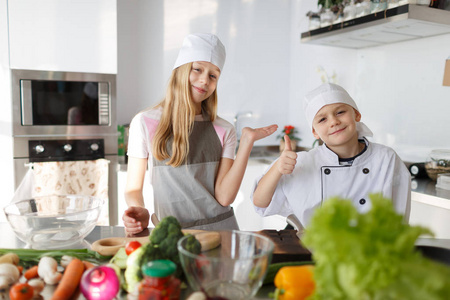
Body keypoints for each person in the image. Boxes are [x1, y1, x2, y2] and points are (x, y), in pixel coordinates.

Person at [123, 33, 277, 234]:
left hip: (222, 232)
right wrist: (139, 210)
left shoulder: (224, 129)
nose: (205, 80)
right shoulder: (145, 122)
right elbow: (133, 189)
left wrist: (246, 142)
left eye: (213, 75)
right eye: (197, 69)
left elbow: (224, 197)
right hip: (172, 234)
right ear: (181, 70)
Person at [252, 83, 411, 229]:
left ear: (356, 114)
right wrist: (277, 169)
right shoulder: (303, 162)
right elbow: (260, 202)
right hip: (315, 251)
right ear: (315, 132)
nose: (334, 121)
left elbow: (396, 220)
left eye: (340, 112)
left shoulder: (385, 159)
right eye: (322, 119)